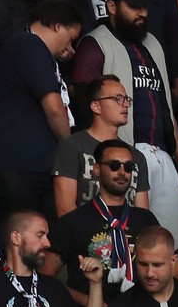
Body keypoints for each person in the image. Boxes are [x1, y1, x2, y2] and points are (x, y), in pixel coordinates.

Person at [70, 0, 178, 242]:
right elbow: (84, 108)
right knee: (131, 239)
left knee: (171, 242)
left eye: (145, 7)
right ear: (112, 6)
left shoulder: (154, 44)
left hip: (162, 155)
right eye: (134, 7)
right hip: (123, 157)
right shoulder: (94, 44)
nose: (142, 13)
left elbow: (167, 109)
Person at [0, 0, 82, 222]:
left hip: (29, 167)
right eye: (70, 39)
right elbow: (55, 108)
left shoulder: (31, 49)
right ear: (57, 26)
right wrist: (70, 150)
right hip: (22, 167)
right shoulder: (29, 44)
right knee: (26, 244)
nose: (70, 48)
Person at [48, 138, 160, 306]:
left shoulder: (146, 219)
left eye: (128, 167)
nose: (122, 172)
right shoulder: (73, 221)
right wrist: (89, 301)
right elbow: (44, 277)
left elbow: (169, 267)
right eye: (115, 166)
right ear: (97, 169)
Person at [51, 75, 150, 216]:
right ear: (96, 106)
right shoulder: (72, 146)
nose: (126, 104)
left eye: (126, 99)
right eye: (117, 98)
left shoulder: (137, 157)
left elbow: (142, 216)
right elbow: (65, 210)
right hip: (84, 235)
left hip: (125, 236)